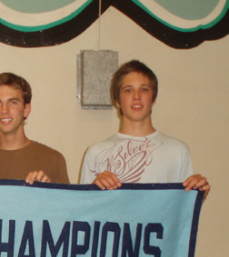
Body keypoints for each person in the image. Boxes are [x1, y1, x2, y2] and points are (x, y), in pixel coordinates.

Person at [80, 60, 210, 198]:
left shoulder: (177, 150)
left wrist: (199, 196)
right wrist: (94, 189)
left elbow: (181, 212)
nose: (136, 97)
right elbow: (83, 212)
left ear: (153, 98)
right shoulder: (96, 152)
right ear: (117, 100)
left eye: (144, 89)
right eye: (128, 90)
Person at [0, 72, 69, 184]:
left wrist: (49, 191)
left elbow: (65, 201)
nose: (4, 110)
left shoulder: (53, 160)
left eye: (13, 102)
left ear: (26, 109)